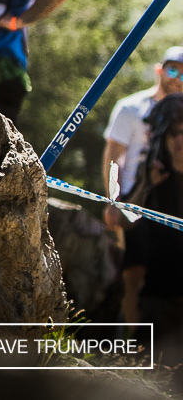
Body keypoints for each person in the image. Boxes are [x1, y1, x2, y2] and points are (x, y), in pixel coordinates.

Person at [118, 93, 183, 379]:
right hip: (157, 299)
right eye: (174, 133)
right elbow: (124, 222)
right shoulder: (153, 175)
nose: (180, 140)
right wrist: (146, 185)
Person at [107, 48, 183, 204]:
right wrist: (113, 201)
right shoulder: (130, 108)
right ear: (159, 70)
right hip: (131, 199)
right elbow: (113, 158)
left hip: (172, 199)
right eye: (172, 71)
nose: (177, 80)